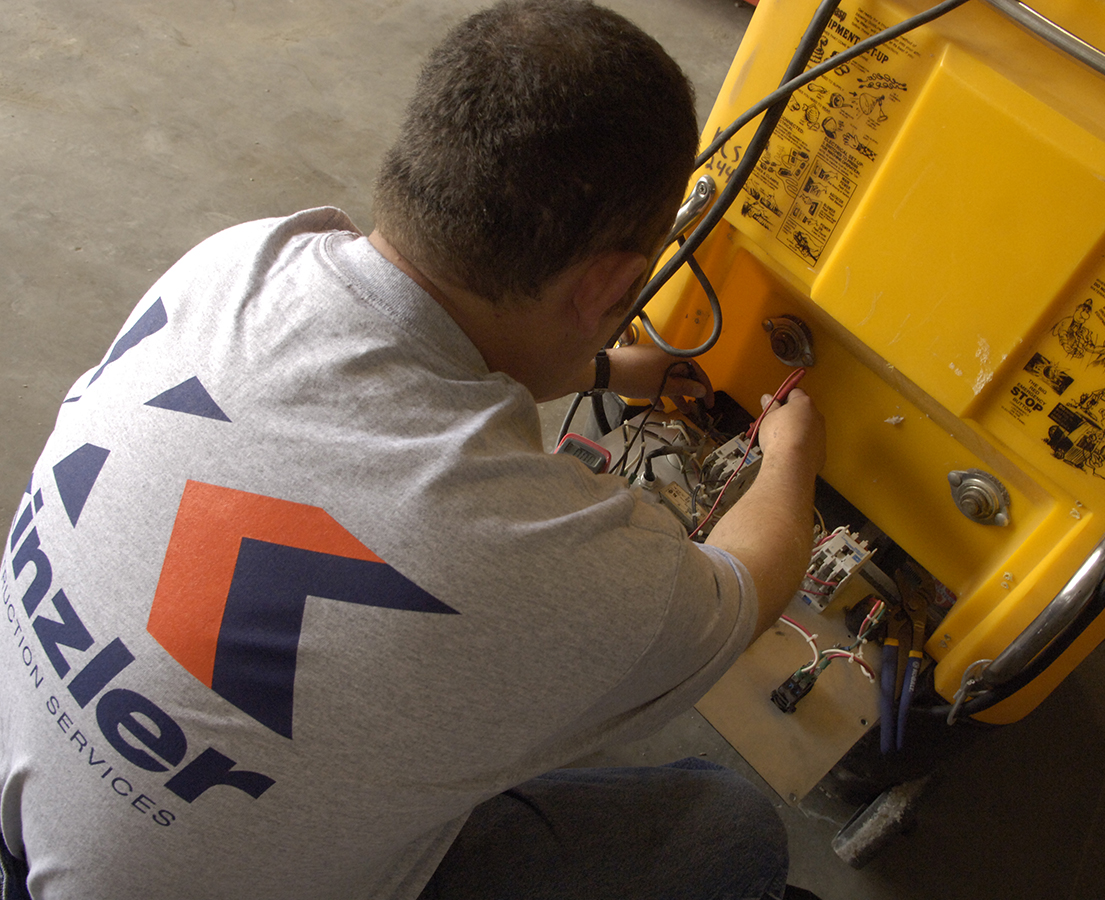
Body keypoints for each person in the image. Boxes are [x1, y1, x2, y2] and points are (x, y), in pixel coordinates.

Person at [0, 2, 824, 898]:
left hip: (33, 800)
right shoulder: (531, 554)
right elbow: (748, 586)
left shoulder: (235, 267)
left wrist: (605, 365)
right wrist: (790, 449)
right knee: (723, 831)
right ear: (613, 283)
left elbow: (409, 339)